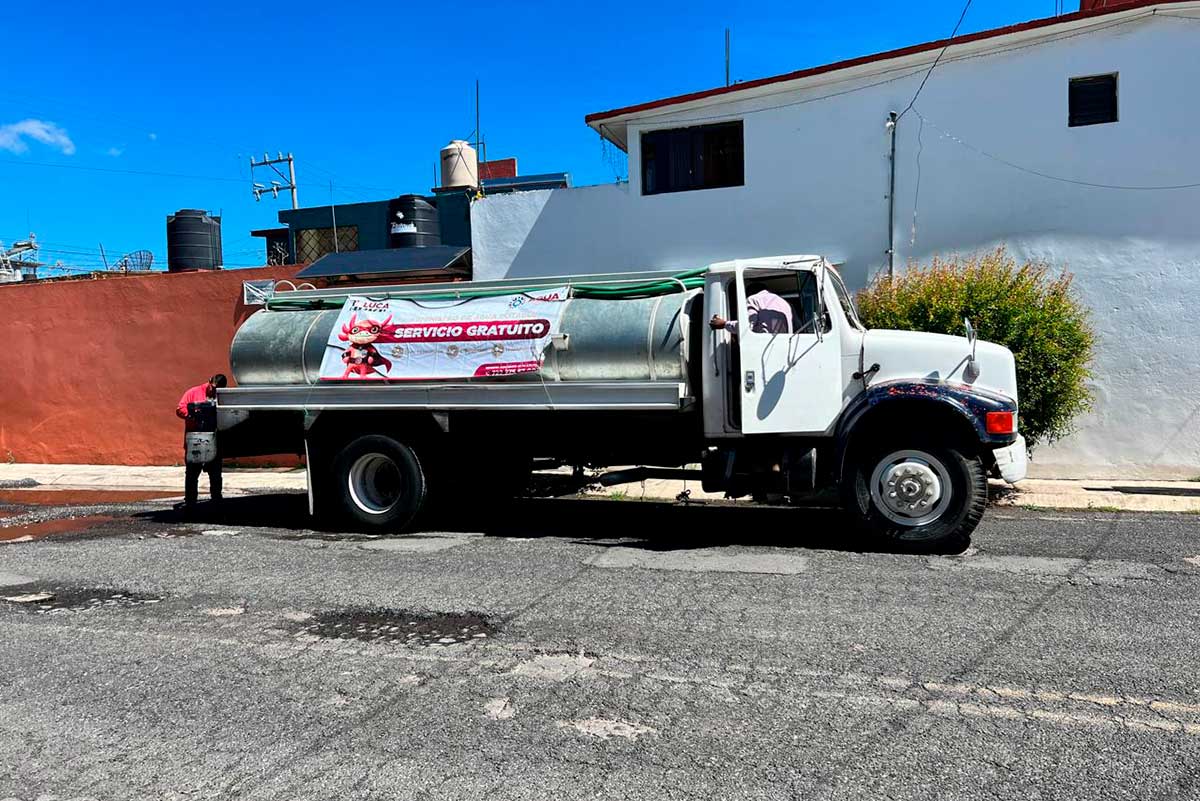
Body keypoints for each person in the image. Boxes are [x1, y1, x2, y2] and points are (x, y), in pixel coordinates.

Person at [176, 374, 227, 508]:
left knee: (215, 473)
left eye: (218, 390)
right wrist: (192, 416)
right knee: (192, 473)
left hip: (214, 439)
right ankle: (190, 501)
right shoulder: (193, 393)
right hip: (195, 439)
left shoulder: (222, 396)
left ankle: (216, 500)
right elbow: (180, 408)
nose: (215, 391)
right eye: (214, 388)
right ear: (210, 381)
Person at [709, 282, 793, 335]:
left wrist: (724, 324)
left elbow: (747, 327)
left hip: (763, 346)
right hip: (783, 347)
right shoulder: (784, 302)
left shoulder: (753, 299)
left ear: (750, 292)